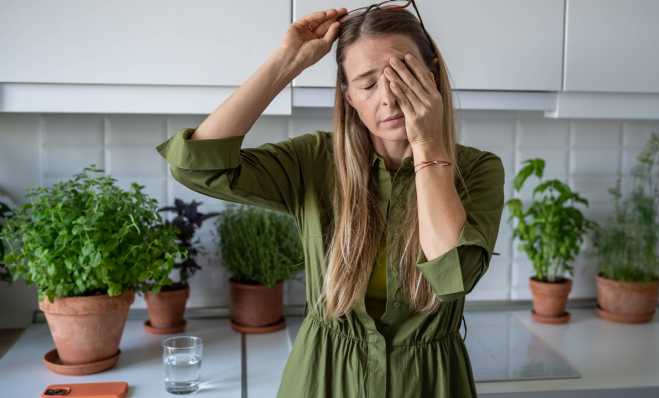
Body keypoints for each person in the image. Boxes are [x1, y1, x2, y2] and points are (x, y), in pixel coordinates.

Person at [156, 3, 504, 397]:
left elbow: (453, 275)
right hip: (321, 379)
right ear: (348, 95)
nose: (388, 99)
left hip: (429, 383)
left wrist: (427, 143)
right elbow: (197, 167)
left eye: (403, 77)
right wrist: (285, 63)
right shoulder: (313, 161)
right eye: (368, 84)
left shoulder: (478, 171)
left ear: (433, 77)